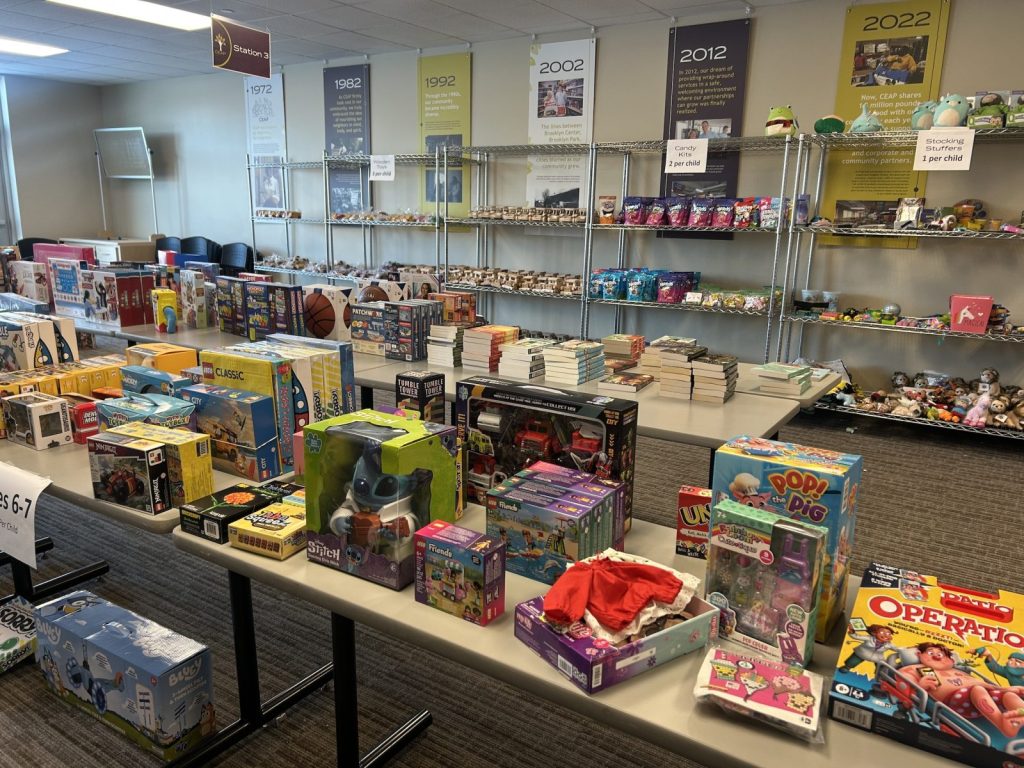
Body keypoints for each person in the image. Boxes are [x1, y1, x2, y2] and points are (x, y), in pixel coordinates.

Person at [904, 642, 1024, 738]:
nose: (936, 656)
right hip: (956, 702)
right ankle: (1004, 726)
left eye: (941, 654)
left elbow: (982, 684)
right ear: (919, 654)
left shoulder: (957, 671)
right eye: (930, 653)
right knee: (977, 689)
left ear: (951, 660)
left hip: (981, 697)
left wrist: (1005, 689)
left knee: (1009, 695)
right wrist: (920, 685)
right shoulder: (914, 668)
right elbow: (904, 682)